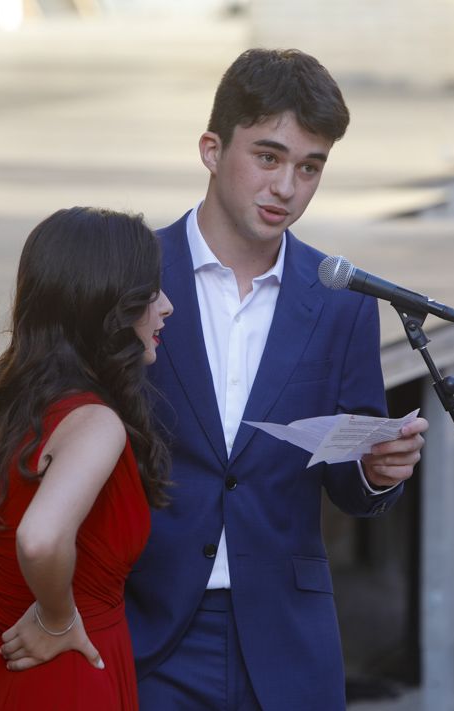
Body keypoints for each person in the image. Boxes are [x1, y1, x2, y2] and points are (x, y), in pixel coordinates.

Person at [126, 48, 430, 710]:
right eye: (268, 157)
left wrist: (378, 469)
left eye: (309, 167)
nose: (287, 186)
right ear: (211, 148)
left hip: (288, 642)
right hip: (149, 630)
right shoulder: (131, 275)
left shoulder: (343, 299)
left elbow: (349, 481)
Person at [0, 206, 173, 711]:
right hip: (66, 668)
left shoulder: (28, 417)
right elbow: (41, 539)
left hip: (16, 656)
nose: (166, 306)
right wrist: (54, 614)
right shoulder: (95, 424)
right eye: (150, 293)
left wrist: (12, 585)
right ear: (109, 305)